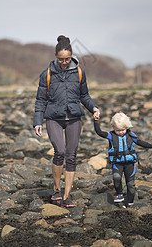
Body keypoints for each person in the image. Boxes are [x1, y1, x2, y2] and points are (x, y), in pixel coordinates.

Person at [33, 35, 100, 208]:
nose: (64, 62)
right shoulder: (47, 74)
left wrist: (93, 108)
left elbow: (84, 96)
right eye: (61, 59)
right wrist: (37, 121)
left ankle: (67, 195)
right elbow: (40, 100)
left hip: (74, 118)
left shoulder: (79, 72)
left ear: (71, 56)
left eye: (67, 59)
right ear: (55, 56)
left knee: (71, 156)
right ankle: (56, 188)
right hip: (54, 118)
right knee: (60, 152)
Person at [94, 111, 152, 208]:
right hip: (117, 163)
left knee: (130, 184)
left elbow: (140, 142)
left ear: (127, 127)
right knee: (117, 177)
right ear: (113, 127)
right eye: (118, 130)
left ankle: (130, 203)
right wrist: (96, 121)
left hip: (129, 163)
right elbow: (99, 132)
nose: (121, 132)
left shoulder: (130, 134)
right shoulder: (111, 135)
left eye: (123, 129)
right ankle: (119, 194)